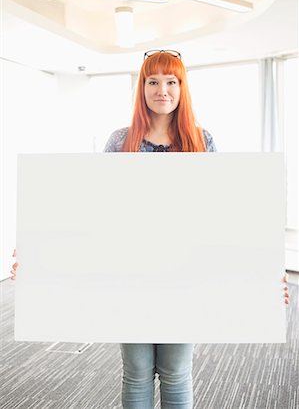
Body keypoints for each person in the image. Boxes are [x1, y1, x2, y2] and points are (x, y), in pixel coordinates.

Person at [10, 50, 289, 409]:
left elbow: (225, 218)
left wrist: (261, 275)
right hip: (131, 274)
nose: (162, 89)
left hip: (186, 275)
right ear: (141, 88)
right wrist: (40, 255)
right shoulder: (120, 141)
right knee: (137, 371)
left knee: (175, 371)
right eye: (153, 81)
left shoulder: (202, 142)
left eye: (171, 81)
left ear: (182, 88)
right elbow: (92, 212)